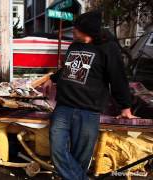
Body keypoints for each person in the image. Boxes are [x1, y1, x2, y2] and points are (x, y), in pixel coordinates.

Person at [47, 11, 137, 180]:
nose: (73, 31)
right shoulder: (75, 45)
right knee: (57, 150)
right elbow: (69, 69)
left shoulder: (108, 48)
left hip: (88, 111)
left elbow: (118, 77)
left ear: (88, 32)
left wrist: (125, 106)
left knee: (81, 157)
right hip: (63, 107)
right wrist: (53, 79)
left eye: (77, 28)